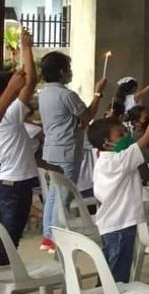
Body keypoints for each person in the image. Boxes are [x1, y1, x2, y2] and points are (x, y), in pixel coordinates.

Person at [87, 86, 149, 294]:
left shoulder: (105, 157)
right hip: (120, 227)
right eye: (120, 134)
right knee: (117, 278)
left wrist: (112, 121)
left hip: (113, 225)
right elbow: (145, 139)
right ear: (106, 143)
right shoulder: (117, 160)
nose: (127, 136)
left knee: (109, 275)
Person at [38, 51, 107, 252]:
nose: (70, 72)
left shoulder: (44, 93)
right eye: (68, 68)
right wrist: (97, 93)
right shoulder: (66, 95)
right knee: (64, 196)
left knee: (53, 194)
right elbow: (87, 115)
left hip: (50, 150)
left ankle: (48, 236)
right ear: (61, 72)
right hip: (67, 150)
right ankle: (58, 238)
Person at [0, 31, 34, 294]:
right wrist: (26, 48)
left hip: (6, 184)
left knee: (5, 240)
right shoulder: (9, 116)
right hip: (13, 187)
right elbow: (30, 80)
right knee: (8, 241)